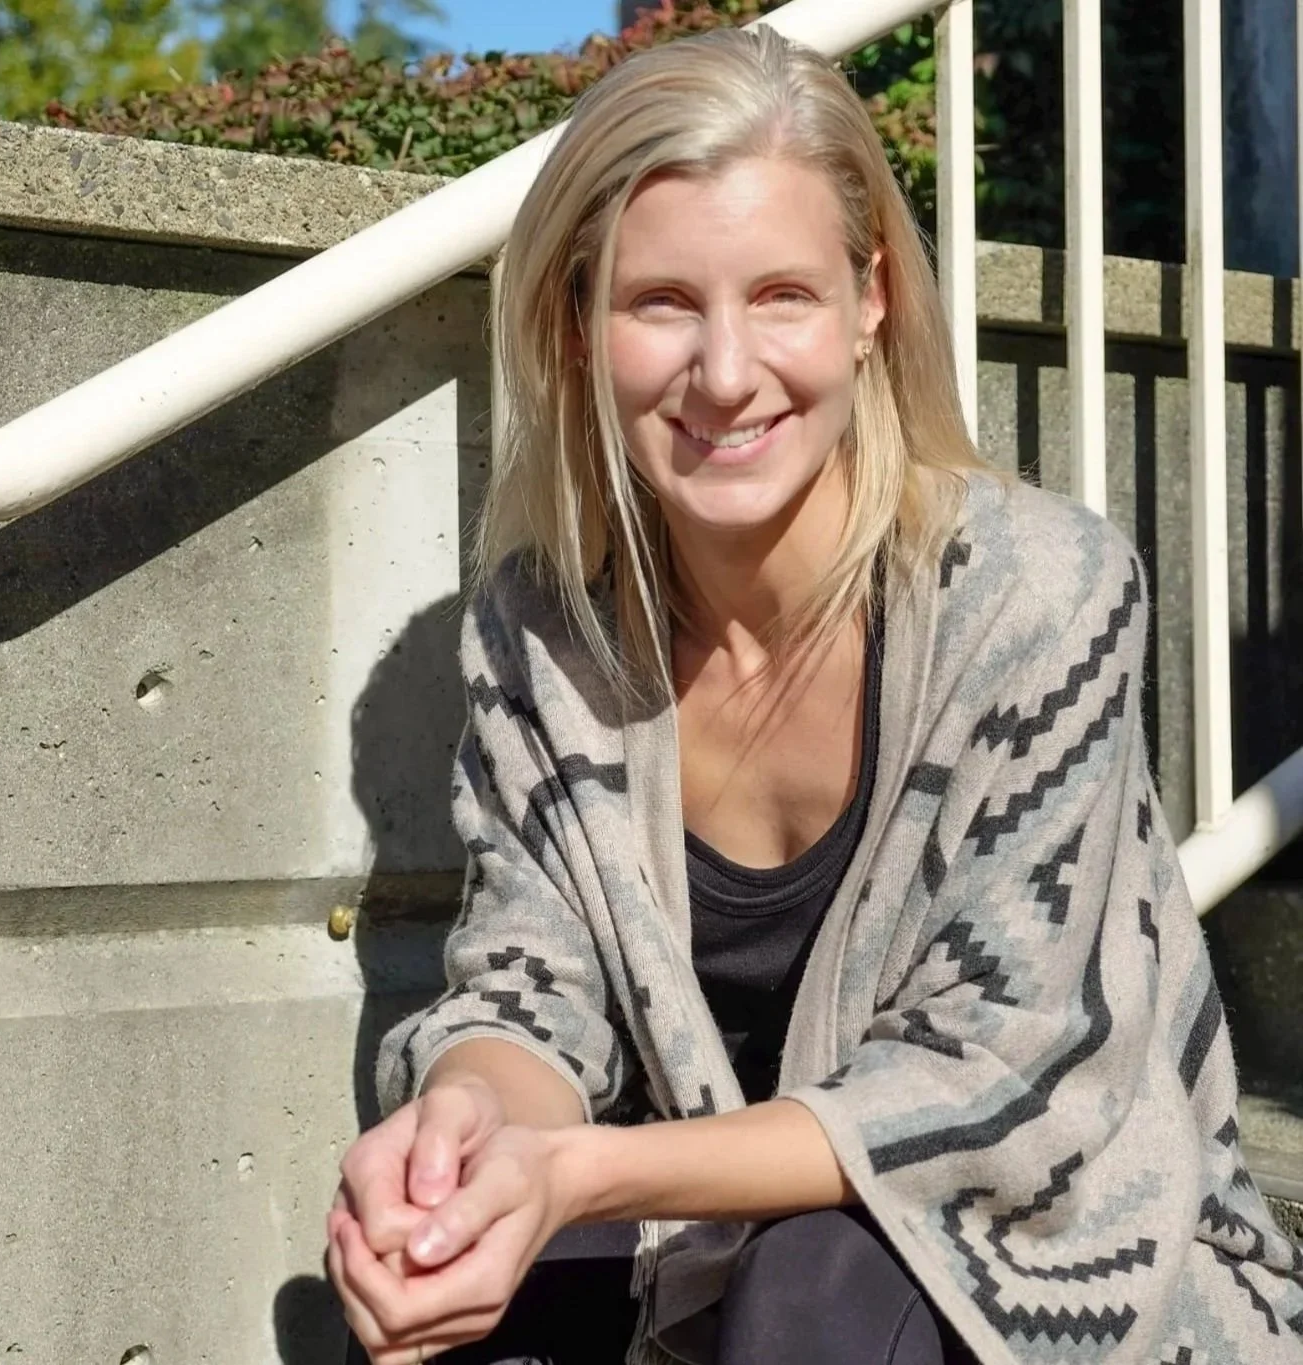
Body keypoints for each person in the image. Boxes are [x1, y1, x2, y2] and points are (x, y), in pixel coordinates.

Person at [329, 24, 1303, 1365]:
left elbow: (989, 1082)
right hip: (726, 1255)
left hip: (1072, 1259)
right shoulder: (542, 632)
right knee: (462, 1274)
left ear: (871, 304)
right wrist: (469, 1132)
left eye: (782, 295)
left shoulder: (1037, 599)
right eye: (662, 302)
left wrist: (586, 1177)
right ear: (574, 325)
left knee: (819, 1285)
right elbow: (528, 987)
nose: (725, 374)